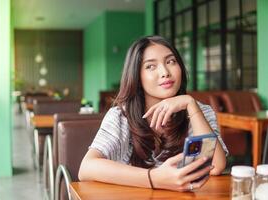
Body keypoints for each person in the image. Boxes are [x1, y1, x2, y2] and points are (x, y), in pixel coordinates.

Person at [79, 35, 228, 191]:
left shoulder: (200, 111)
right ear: (137, 76)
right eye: (150, 66)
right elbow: (86, 168)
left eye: (171, 61)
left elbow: (215, 166)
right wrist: (153, 178)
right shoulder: (121, 116)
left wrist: (190, 104)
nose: (165, 72)